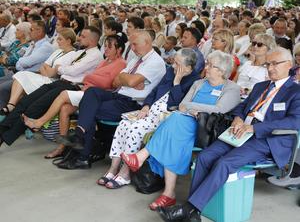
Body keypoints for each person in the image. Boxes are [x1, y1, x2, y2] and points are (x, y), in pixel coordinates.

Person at [158, 47, 300, 222]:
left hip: (266, 138)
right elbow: (242, 106)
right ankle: (193, 214)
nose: (270, 68)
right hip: (240, 131)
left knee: (224, 163)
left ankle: (190, 208)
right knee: (204, 157)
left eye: (274, 64)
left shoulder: (295, 91)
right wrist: (239, 119)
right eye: (267, 64)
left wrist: (255, 128)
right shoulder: (260, 86)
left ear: (289, 64)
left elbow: (294, 122)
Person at [122, 51, 240, 210]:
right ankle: (168, 193)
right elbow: (182, 105)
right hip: (185, 122)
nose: (206, 67)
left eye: (211, 66)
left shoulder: (232, 88)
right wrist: (192, 110)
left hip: (206, 129)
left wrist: (194, 109)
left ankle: (142, 157)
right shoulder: (199, 83)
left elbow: (219, 109)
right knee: (174, 133)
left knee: (175, 120)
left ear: (222, 70)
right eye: (207, 63)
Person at [55, 30, 166, 169]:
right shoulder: (136, 59)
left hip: (132, 103)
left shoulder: (155, 62)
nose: (132, 48)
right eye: (131, 44)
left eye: (135, 44)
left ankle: (82, 153)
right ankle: (80, 139)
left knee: (88, 109)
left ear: (147, 43)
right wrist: (129, 79)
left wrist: (126, 79)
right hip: (118, 94)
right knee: (92, 92)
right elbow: (115, 82)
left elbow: (129, 81)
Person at [98, 48, 200, 189]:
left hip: (166, 119)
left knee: (134, 129)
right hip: (151, 112)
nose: (173, 66)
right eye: (174, 62)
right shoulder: (170, 71)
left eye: (178, 64)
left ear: (188, 67)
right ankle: (113, 168)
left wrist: (177, 81)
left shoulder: (195, 81)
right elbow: (155, 91)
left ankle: (125, 173)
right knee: (123, 124)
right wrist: (146, 106)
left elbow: (179, 104)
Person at [23, 33, 127, 159]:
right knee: (64, 109)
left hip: (99, 96)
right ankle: (61, 147)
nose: (106, 49)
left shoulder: (121, 63)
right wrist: (91, 78)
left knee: (64, 94)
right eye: (105, 46)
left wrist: (89, 78)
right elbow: (93, 78)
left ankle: (39, 122)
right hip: (88, 91)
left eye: (109, 47)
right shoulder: (105, 61)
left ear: (119, 49)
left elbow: (107, 83)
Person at [0, 26, 102, 147]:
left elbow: (71, 70)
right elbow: (60, 66)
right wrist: (61, 69)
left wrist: (60, 69)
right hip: (61, 82)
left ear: (92, 40)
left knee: (35, 108)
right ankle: (2, 129)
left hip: (72, 86)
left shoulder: (95, 55)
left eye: (83, 36)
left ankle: (4, 138)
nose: (79, 38)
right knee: (26, 101)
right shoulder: (80, 53)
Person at [0, 28, 77, 117]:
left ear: (68, 41)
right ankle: (11, 105)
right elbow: (43, 66)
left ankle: (11, 107)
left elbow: (53, 73)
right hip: (45, 76)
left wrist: (48, 69)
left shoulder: (73, 54)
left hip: (54, 82)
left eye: (60, 39)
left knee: (21, 79)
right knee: (21, 75)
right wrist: (49, 70)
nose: (57, 41)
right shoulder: (58, 51)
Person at [0, 20, 54, 109]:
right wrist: (21, 62)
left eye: (31, 29)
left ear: (39, 31)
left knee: (2, 88)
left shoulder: (46, 47)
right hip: (21, 73)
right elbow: (20, 63)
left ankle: (3, 114)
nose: (29, 32)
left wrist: (21, 62)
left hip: (32, 76)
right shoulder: (33, 44)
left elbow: (26, 62)